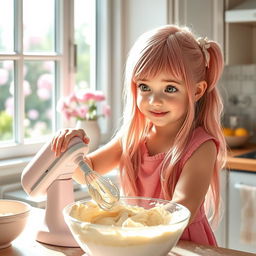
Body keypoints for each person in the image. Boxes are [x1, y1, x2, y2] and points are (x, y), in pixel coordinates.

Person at [51, 25, 227, 246]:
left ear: (197, 91)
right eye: (144, 87)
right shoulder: (133, 138)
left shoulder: (201, 147)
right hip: (139, 241)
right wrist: (71, 146)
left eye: (170, 88)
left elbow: (182, 209)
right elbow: (84, 172)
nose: (154, 101)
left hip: (183, 245)